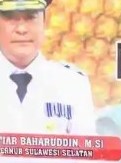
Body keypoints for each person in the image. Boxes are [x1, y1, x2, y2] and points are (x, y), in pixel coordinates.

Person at [0, 0, 96, 134]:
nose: (21, 29)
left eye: (31, 17)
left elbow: (86, 151)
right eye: (11, 18)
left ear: (44, 22)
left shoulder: (73, 85)